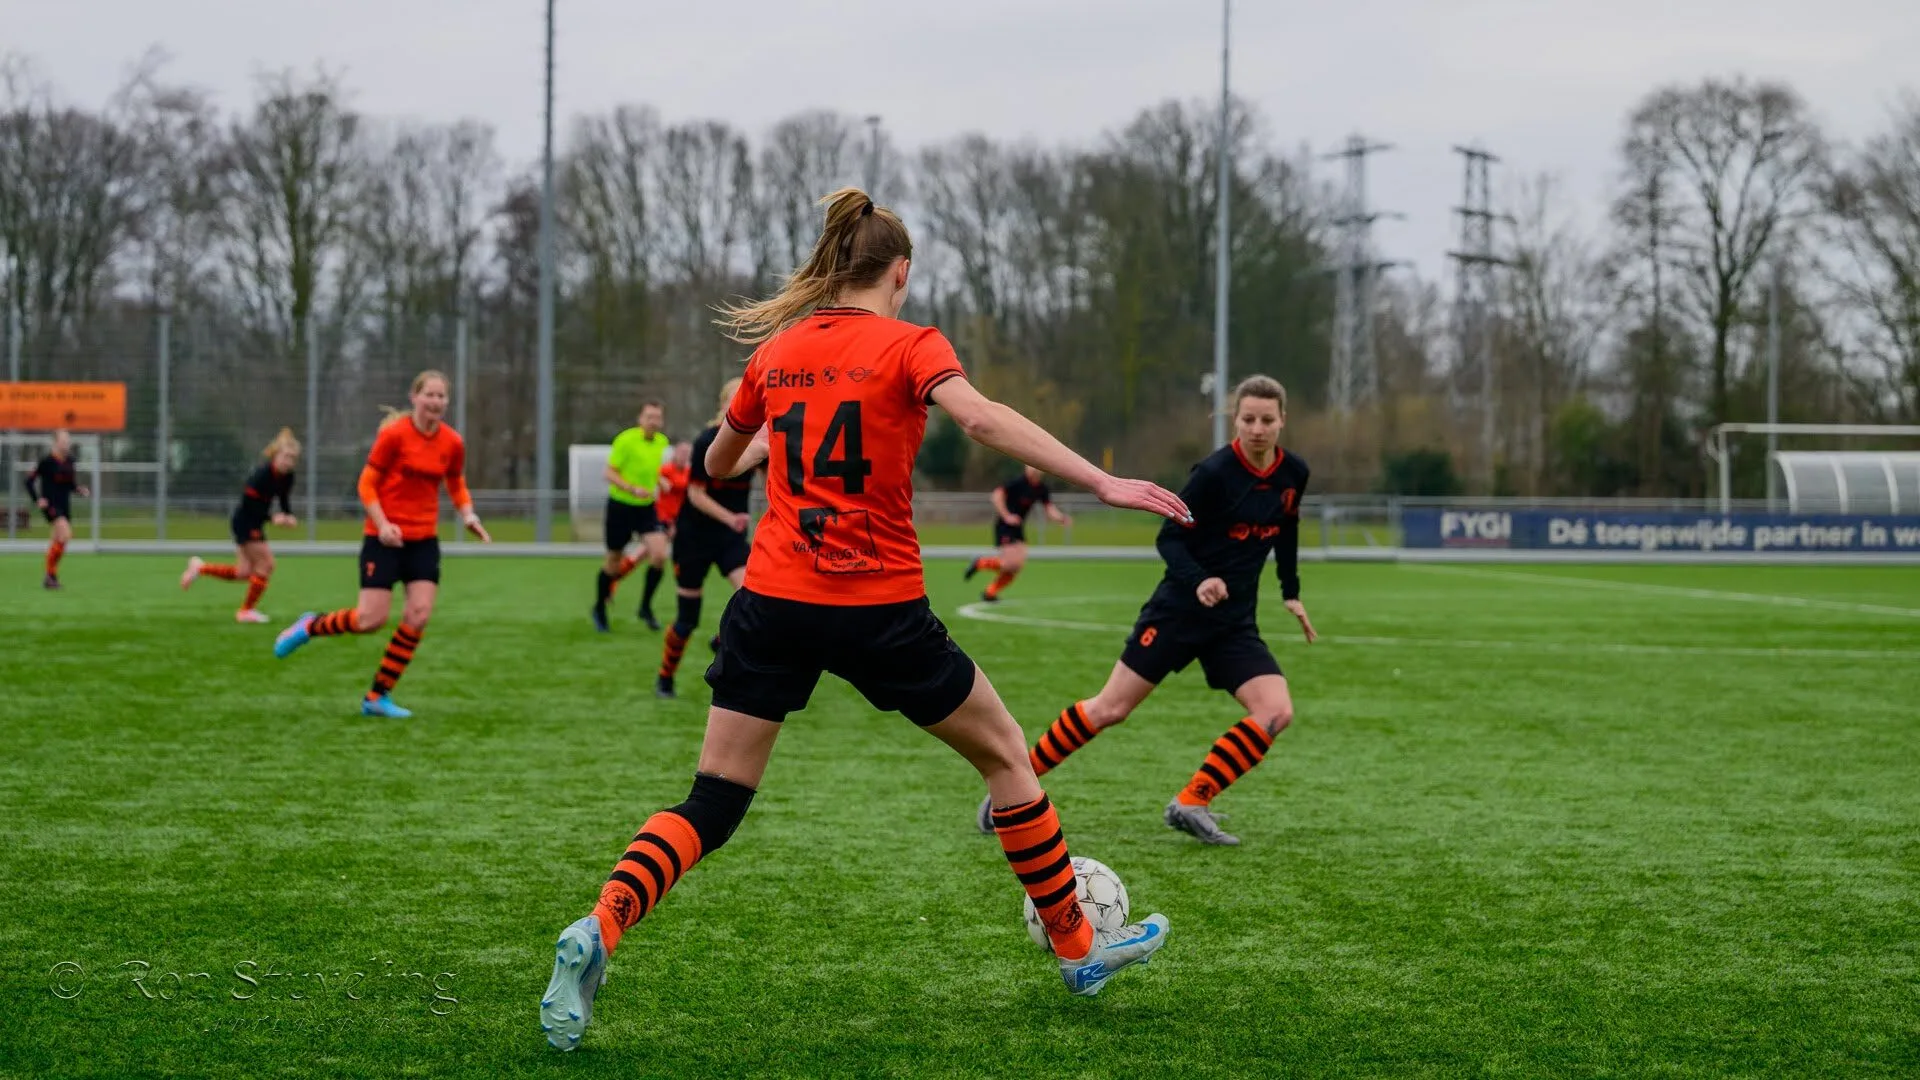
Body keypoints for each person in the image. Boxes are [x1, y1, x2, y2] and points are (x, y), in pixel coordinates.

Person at [539, 188, 1190, 1052]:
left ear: (833, 268)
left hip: (770, 603)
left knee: (714, 800)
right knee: (1005, 755)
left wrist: (766, 443)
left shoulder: (776, 353)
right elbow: (982, 418)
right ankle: (1078, 947)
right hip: (878, 609)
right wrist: (1102, 481)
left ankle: (602, 924)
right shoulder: (912, 344)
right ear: (901, 274)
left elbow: (716, 461)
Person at [976, 375, 1316, 846]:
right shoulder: (1214, 474)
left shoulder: (1293, 473)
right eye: (1248, 419)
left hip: (1233, 623)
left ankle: (1192, 802)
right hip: (1177, 611)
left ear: (1283, 421)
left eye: (1267, 419)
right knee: (1109, 708)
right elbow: (1169, 538)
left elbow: (1288, 531)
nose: (1257, 428)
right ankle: (1013, 793)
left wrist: (1291, 590)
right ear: (1234, 419)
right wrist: (1201, 580)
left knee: (1276, 711)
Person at [272, 371, 491, 717]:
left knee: (418, 616)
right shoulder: (394, 436)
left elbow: (455, 482)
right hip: (383, 539)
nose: (435, 402)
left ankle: (377, 697)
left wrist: (468, 515)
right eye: (429, 395)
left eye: (441, 397)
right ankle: (310, 625)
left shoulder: (452, 443)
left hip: (423, 541)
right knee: (368, 620)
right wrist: (383, 523)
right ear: (414, 397)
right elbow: (367, 484)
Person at [655, 381, 754, 700]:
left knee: (754, 599)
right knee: (687, 619)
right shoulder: (706, 441)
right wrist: (731, 518)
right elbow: (695, 495)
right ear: (724, 404)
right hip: (694, 538)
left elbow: (774, 482)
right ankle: (665, 678)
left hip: (730, 537)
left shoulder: (758, 440)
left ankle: (723, 638)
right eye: (736, 400)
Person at [180, 428, 300, 622]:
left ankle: (200, 568)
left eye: (293, 458)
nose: (289, 462)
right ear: (275, 455)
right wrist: (272, 518)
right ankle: (245, 611)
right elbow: (248, 504)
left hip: (255, 521)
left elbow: (283, 497)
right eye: (286, 457)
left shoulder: (288, 476)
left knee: (244, 572)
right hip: (244, 521)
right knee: (267, 564)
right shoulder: (261, 475)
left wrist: (288, 515)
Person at [593, 402, 671, 633]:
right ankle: (599, 608)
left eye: (657, 417)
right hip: (621, 506)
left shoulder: (662, 442)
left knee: (659, 554)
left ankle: (645, 607)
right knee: (613, 562)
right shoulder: (625, 440)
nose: (653, 421)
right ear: (640, 418)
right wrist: (631, 488)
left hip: (646, 508)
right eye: (649, 417)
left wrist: (660, 481)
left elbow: (649, 469)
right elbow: (608, 473)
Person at [964, 465, 1072, 603]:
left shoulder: (1041, 488)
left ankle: (989, 593)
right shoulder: (1018, 482)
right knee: (1010, 563)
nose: (1033, 469)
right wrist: (1007, 515)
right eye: (1030, 466)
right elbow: (996, 496)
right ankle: (980, 562)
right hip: (1005, 526)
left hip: (1018, 527)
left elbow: (1049, 509)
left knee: (1016, 567)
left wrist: (1061, 518)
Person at [24, 429, 88, 589]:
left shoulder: (71, 461)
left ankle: (50, 577)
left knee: (58, 541)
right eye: (63, 440)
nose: (66, 443)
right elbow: (29, 481)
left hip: (65, 505)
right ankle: (50, 575)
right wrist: (37, 499)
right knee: (66, 535)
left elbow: (69, 483)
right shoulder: (46, 461)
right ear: (55, 442)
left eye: (68, 440)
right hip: (51, 506)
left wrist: (79, 489)